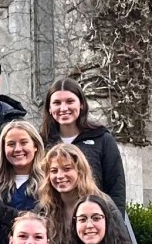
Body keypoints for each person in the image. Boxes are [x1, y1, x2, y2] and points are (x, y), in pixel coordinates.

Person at [40, 77, 126, 213]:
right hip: (54, 221)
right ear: (49, 108)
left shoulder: (102, 138)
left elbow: (116, 187)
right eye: (57, 102)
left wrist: (113, 223)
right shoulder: (41, 142)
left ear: (81, 104)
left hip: (92, 223)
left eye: (70, 101)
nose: (63, 108)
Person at [38, 143, 125, 244]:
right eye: (54, 171)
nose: (60, 176)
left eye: (67, 169)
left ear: (80, 171)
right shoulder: (44, 209)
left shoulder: (103, 204)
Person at [0, 120, 45, 211]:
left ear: (35, 146)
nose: (17, 149)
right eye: (11, 144)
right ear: (3, 148)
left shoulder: (48, 181)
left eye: (24, 142)